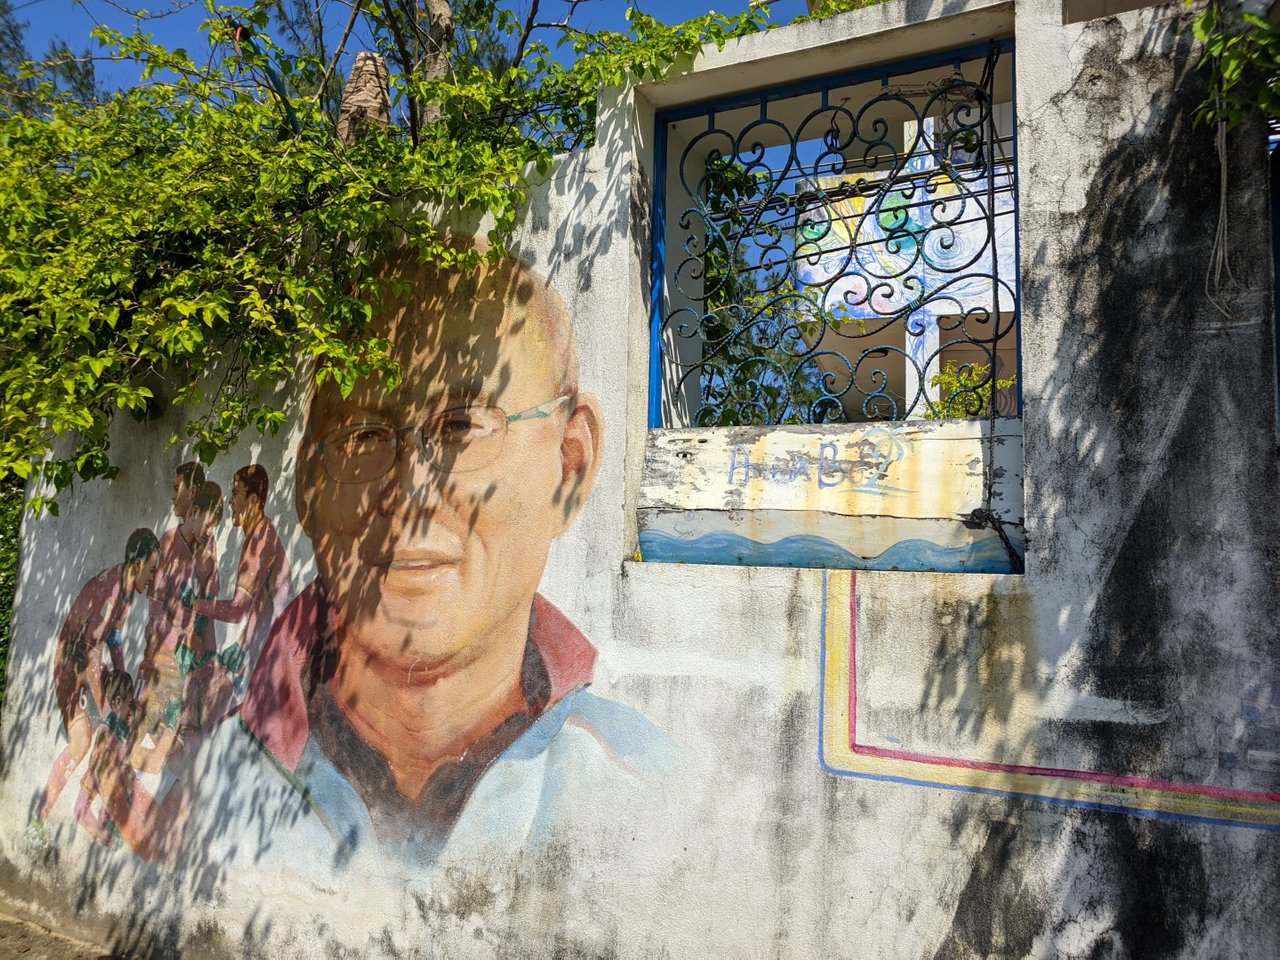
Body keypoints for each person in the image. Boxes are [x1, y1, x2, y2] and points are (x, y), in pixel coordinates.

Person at [236, 240, 671, 869]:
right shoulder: (204, 774)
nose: (410, 493)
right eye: (362, 436)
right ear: (308, 486)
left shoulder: (654, 797)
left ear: (569, 468)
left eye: (462, 427)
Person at [37, 528, 159, 824]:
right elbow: (92, 656)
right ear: (138, 564)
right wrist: (107, 710)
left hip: (87, 661)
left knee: (118, 718)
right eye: (152, 569)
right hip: (71, 664)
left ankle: (107, 807)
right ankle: (38, 821)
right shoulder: (113, 592)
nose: (153, 578)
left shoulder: (127, 593)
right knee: (82, 743)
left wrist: (123, 681)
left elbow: (114, 641)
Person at [189, 463, 292, 729]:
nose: (230, 502)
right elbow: (263, 604)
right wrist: (243, 644)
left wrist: (195, 604)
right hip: (271, 650)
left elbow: (237, 610)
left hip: (279, 658)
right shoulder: (261, 533)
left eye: (236, 494)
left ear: (254, 500)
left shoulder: (258, 543)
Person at [132, 481, 222, 774]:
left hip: (189, 653)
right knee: (153, 720)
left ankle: (165, 779)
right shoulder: (169, 543)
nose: (208, 535)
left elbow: (210, 597)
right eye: (207, 526)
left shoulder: (208, 545)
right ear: (194, 511)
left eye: (213, 531)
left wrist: (210, 654)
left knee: (183, 727)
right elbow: (155, 604)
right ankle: (135, 772)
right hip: (164, 649)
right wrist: (170, 645)